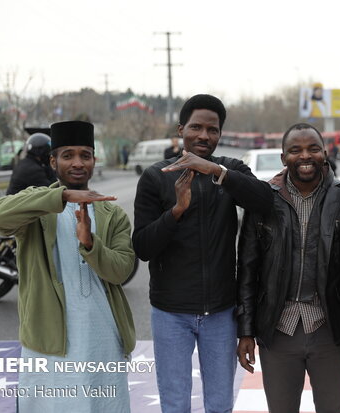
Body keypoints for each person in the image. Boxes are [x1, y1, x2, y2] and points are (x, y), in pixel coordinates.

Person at [132, 94, 273, 413]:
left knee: (220, 404)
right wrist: (177, 211)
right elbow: (142, 246)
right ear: (181, 129)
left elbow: (265, 201)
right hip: (170, 313)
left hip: (221, 313)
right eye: (196, 127)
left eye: (213, 129)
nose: (204, 135)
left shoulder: (231, 171)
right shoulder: (156, 177)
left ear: (220, 134)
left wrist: (217, 171)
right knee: (175, 403)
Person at [0, 120, 136, 412]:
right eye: (67, 155)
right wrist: (62, 196)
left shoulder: (112, 213)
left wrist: (91, 245)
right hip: (49, 338)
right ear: (53, 161)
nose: (78, 163)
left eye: (85, 155)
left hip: (102, 336)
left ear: (95, 160)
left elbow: (121, 270)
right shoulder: (37, 207)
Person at [236, 122, 340, 413]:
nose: (305, 156)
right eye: (295, 150)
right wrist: (245, 331)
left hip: (330, 327)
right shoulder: (263, 200)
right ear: (284, 157)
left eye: (313, 148)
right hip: (278, 328)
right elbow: (248, 269)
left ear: (324, 152)